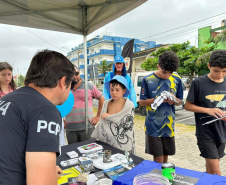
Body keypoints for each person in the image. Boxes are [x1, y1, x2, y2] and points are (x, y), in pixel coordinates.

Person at [0, 50, 75, 185]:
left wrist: (46, 169)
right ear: (63, 82)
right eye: (70, 85)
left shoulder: (8, 99)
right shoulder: (45, 110)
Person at [185, 49, 226, 175]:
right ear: (209, 66)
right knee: (216, 171)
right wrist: (208, 110)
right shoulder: (198, 82)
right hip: (205, 133)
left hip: (222, 132)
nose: (220, 75)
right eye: (216, 71)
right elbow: (187, 106)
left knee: (210, 171)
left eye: (224, 71)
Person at [139, 51, 183, 163]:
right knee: (158, 157)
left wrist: (174, 100)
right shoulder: (147, 80)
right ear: (158, 66)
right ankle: (158, 179)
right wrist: (159, 99)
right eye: (164, 72)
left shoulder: (177, 79)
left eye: (170, 72)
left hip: (169, 126)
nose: (167, 75)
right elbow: (142, 103)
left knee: (166, 156)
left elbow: (180, 102)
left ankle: (164, 178)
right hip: (152, 126)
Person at [92, 75, 135, 154]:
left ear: (124, 90)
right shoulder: (106, 103)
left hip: (123, 145)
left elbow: (126, 124)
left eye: (117, 90)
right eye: (112, 90)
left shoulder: (129, 105)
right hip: (107, 143)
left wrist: (108, 116)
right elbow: (103, 123)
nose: (114, 92)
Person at [64, 65, 105, 144]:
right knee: (74, 154)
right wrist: (61, 118)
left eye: (76, 73)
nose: (75, 76)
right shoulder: (65, 87)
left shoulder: (88, 85)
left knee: (89, 153)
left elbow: (101, 99)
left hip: (87, 127)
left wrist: (98, 116)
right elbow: (57, 103)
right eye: (71, 74)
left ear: (80, 72)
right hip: (71, 128)